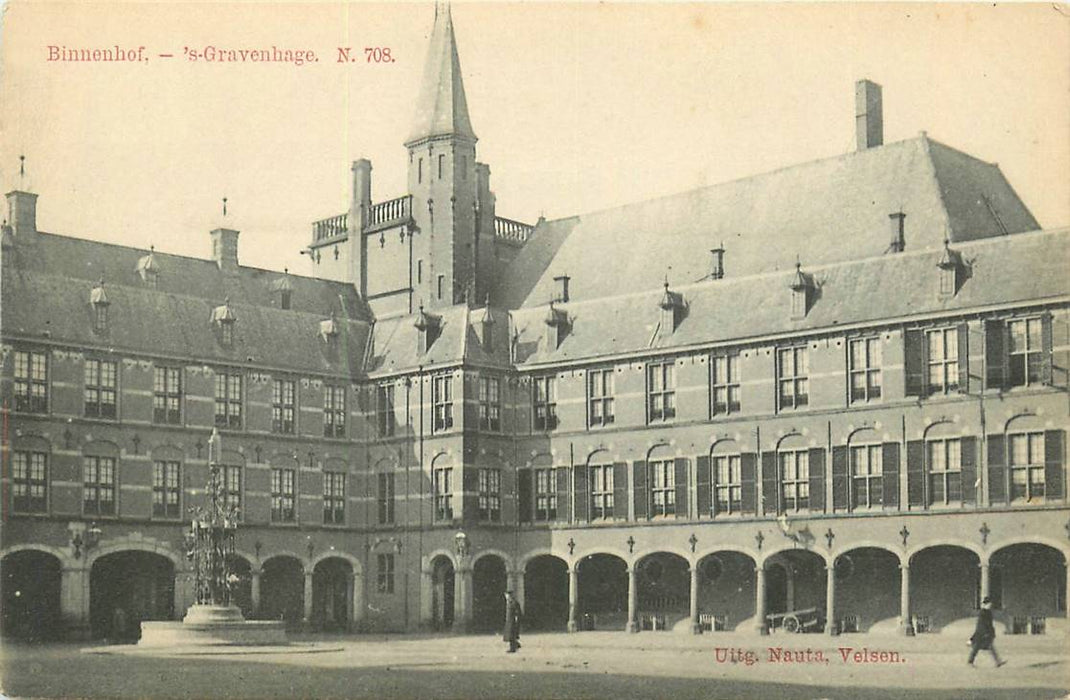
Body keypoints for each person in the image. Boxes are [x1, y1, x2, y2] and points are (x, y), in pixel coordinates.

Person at [968, 597, 1005, 667]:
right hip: (981, 634)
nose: (990, 605)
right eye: (989, 604)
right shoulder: (982, 613)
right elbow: (981, 625)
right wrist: (984, 633)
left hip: (986, 634)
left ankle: (998, 662)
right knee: (976, 648)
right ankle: (970, 662)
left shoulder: (988, 613)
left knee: (990, 647)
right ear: (985, 604)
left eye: (990, 604)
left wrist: (992, 633)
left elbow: (990, 625)